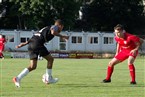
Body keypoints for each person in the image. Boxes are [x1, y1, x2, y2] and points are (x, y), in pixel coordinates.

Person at [13, 19, 69, 87]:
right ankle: (48, 78)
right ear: (60, 25)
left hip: (31, 44)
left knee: (32, 66)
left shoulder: (45, 28)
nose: (61, 29)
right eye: (62, 27)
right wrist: (63, 36)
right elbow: (53, 32)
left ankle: (17, 78)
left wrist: (23, 44)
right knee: (50, 59)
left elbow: (35, 37)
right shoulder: (55, 26)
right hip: (38, 44)